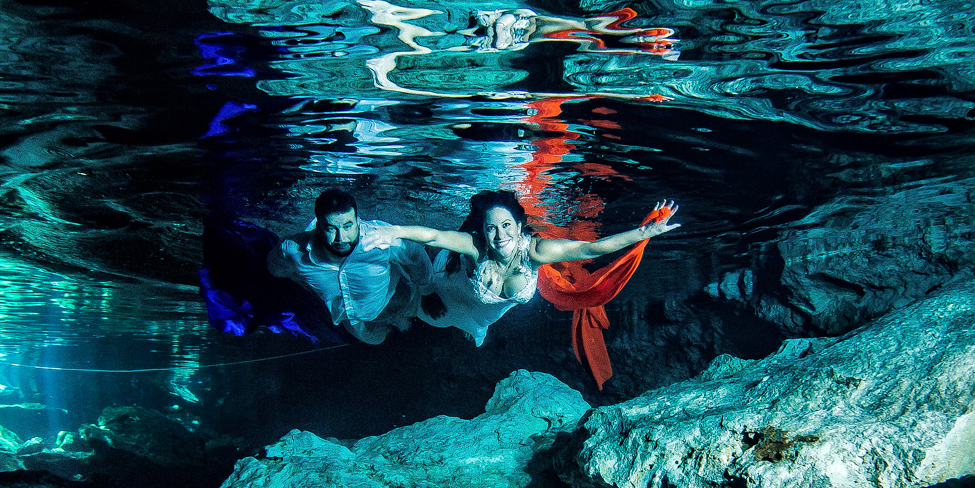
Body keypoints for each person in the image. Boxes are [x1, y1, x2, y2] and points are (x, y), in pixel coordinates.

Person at [361, 191, 680, 347]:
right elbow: (434, 235)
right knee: (423, 304)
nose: (499, 237)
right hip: (450, 288)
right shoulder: (476, 247)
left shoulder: (537, 251)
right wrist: (395, 231)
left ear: (520, 226)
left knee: (475, 322)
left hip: (484, 315)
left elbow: (591, 249)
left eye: (506, 226)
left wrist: (644, 233)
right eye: (491, 229)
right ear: (482, 231)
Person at [267, 187, 434, 344]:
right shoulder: (293, 251)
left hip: (394, 297)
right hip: (350, 321)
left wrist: (427, 291)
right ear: (318, 226)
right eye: (331, 228)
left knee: (409, 331)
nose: (341, 238)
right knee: (376, 340)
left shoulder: (382, 239)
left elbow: (417, 257)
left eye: (348, 226)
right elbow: (275, 270)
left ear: (358, 221)